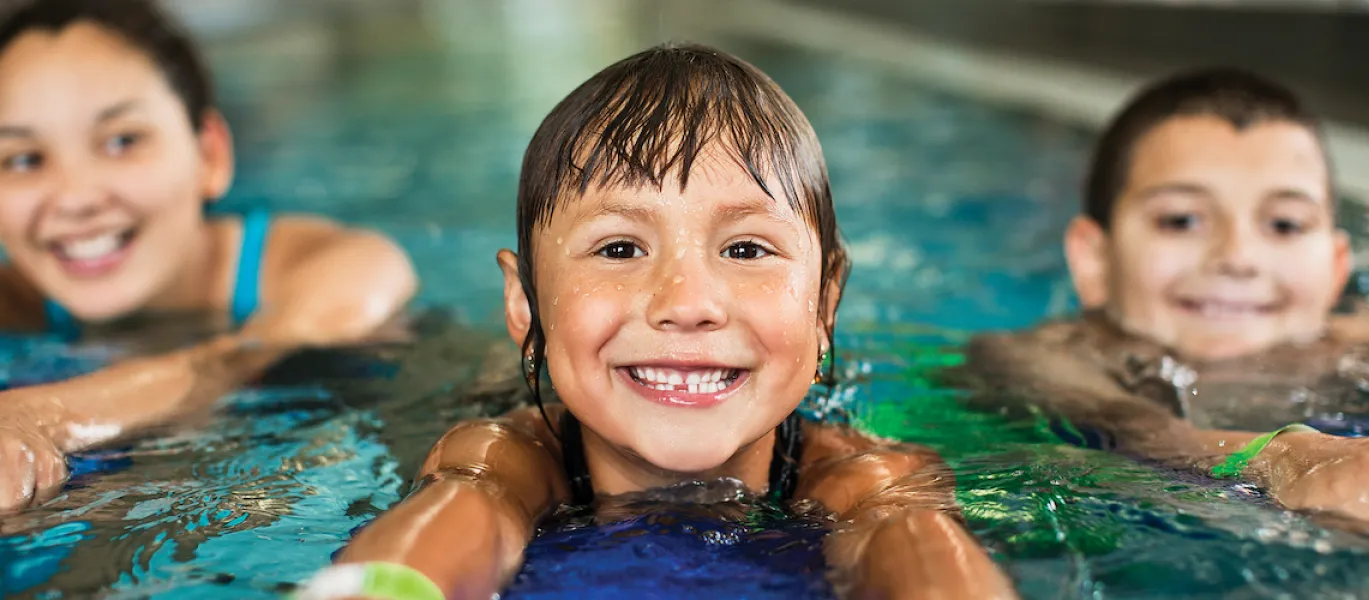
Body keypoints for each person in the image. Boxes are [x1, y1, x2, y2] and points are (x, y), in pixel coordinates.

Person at [297, 43, 1017, 600]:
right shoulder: (505, 457)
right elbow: (464, 508)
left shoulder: (865, 477)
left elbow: (914, 547)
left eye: (745, 248)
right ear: (525, 305)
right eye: (618, 248)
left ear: (825, 304)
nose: (686, 302)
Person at [960, 66, 1369, 533]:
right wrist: (1287, 459)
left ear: (1337, 268)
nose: (1237, 257)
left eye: (1285, 224)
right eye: (1182, 220)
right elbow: (1136, 431)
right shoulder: (1041, 356)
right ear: (1096, 261)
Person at [0, 0, 417, 512]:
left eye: (122, 140)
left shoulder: (341, 266)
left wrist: (39, 418)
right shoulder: (15, 301)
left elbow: (239, 358)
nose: (75, 198)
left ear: (210, 155)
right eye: (23, 159)